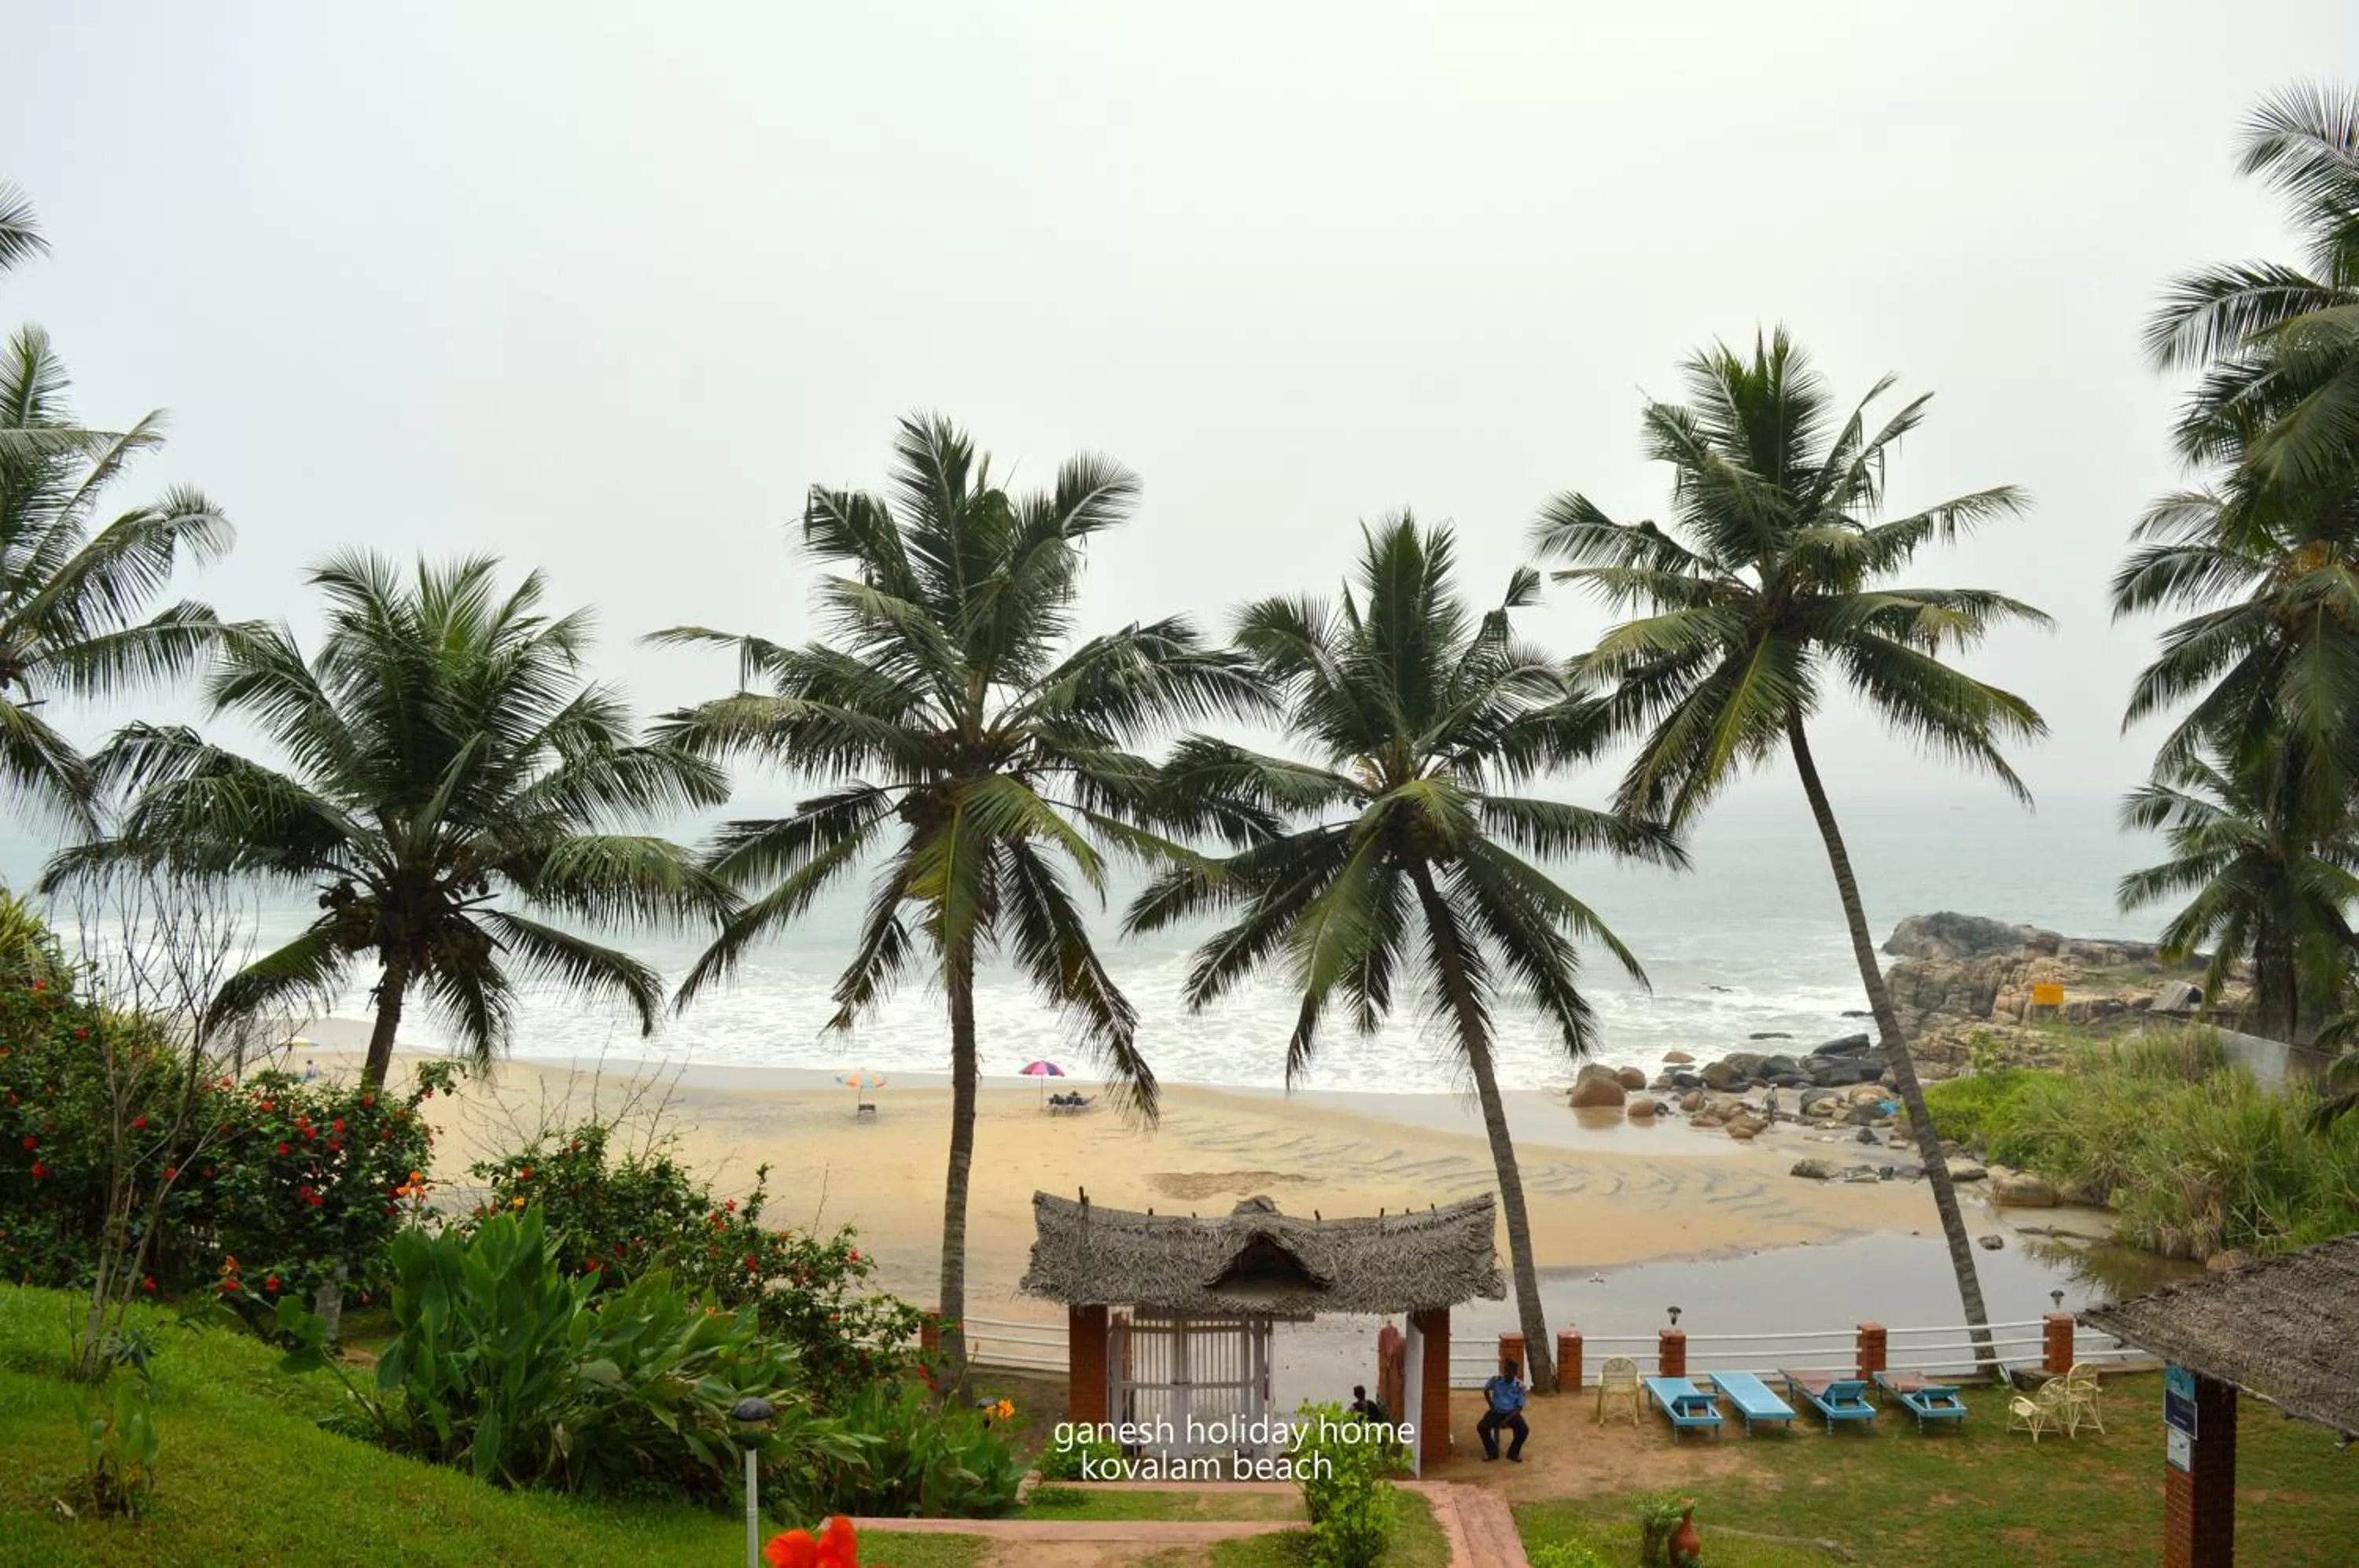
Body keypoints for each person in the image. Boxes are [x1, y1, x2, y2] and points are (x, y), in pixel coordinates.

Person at [1478, 1360, 1529, 1462]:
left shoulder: (1520, 1386)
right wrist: (1491, 1405)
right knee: (1482, 1427)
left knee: (1524, 1430)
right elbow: (1486, 1390)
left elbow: (1519, 1407)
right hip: (1496, 1412)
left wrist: (1505, 1421)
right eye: (1506, 1371)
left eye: (1510, 1372)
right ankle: (1492, 1453)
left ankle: (1513, 1453)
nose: (1507, 1374)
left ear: (1515, 1373)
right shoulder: (1496, 1380)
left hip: (1512, 1414)